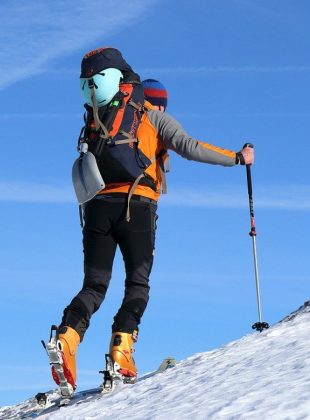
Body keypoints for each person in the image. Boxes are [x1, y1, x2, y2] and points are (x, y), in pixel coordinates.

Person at [52, 47, 254, 390]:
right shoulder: (153, 117)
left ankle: (67, 339)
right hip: (138, 208)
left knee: (94, 286)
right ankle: (121, 351)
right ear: (158, 101)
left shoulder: (101, 116)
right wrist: (237, 157)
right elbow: (190, 146)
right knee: (137, 284)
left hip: (97, 207)